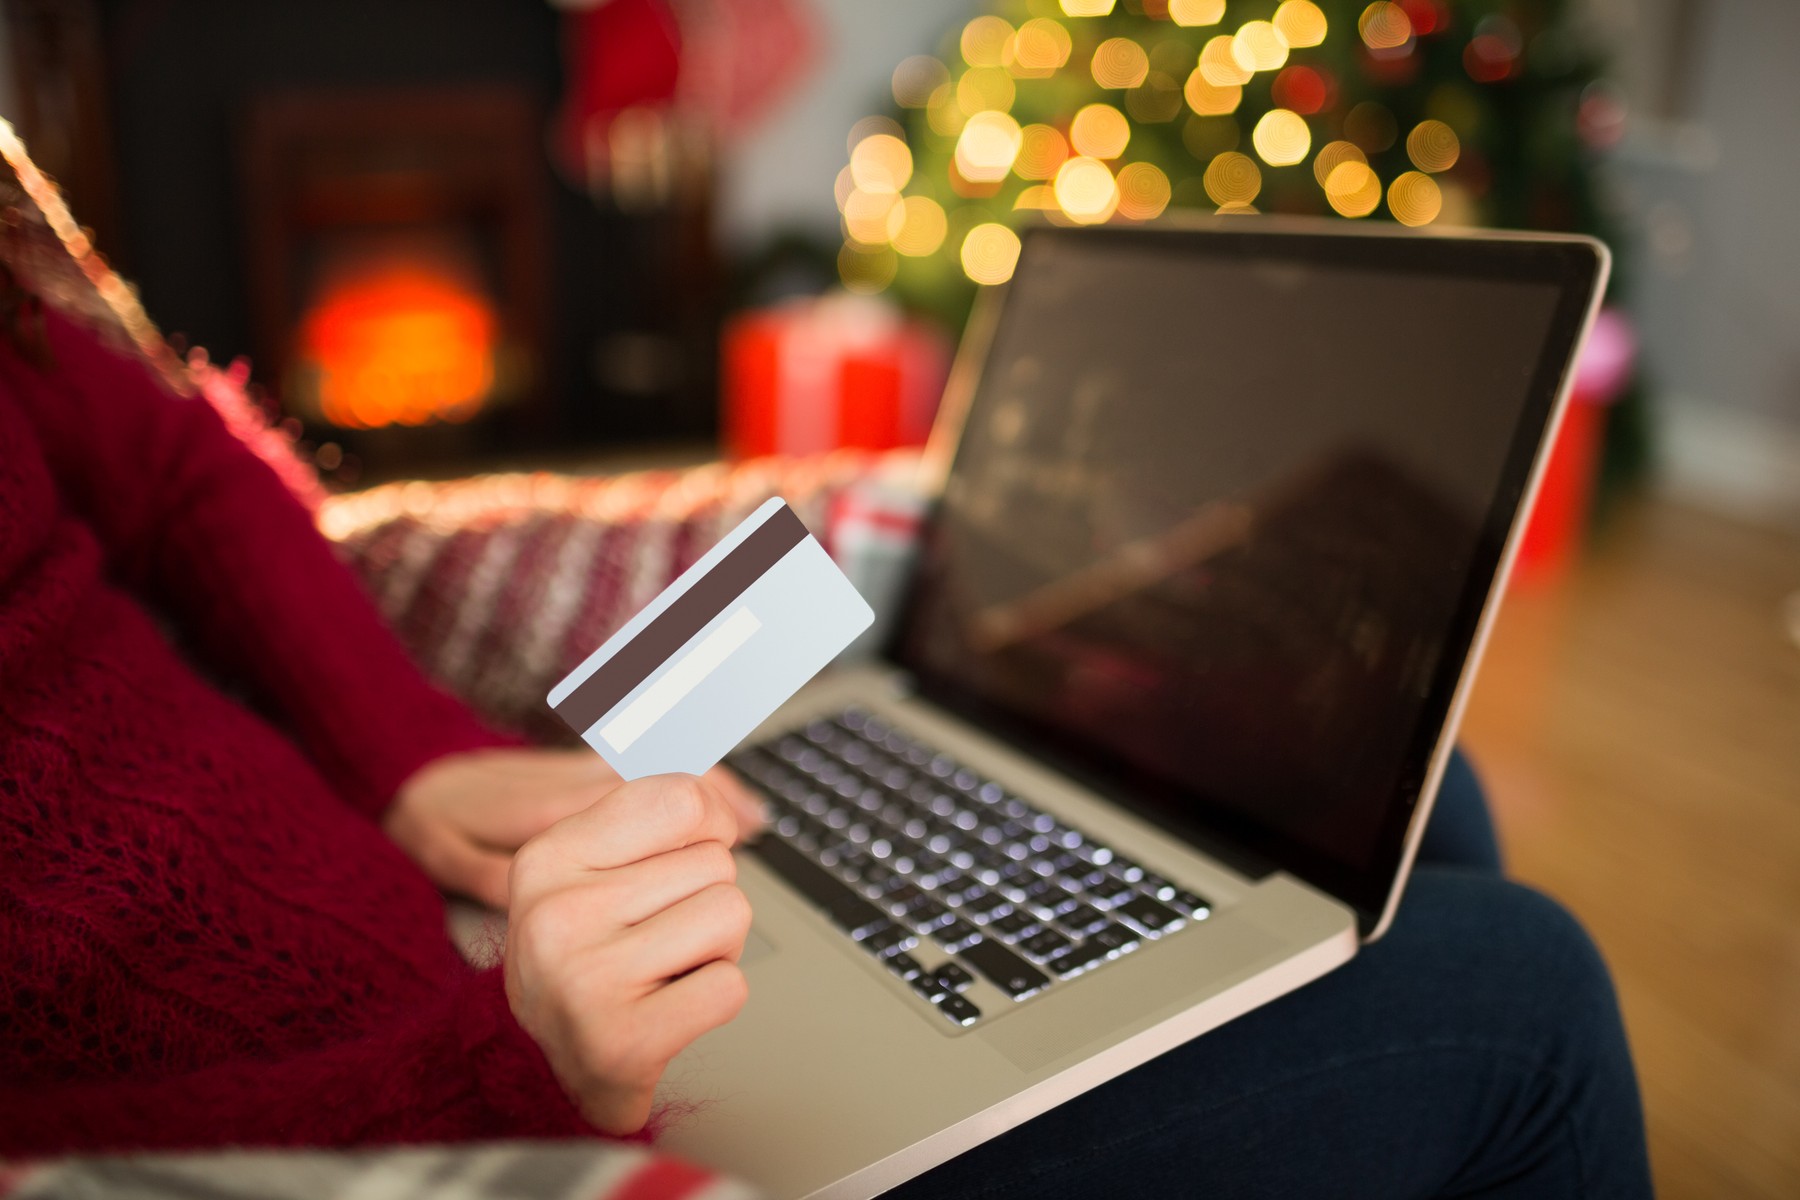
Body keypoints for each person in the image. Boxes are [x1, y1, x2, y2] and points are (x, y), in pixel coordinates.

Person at [0, 293, 1651, 1196]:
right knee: (1521, 996)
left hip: (471, 932)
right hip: (471, 1107)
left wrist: (411, 757)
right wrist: (495, 1080)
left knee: (1406, 812)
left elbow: (165, 465)